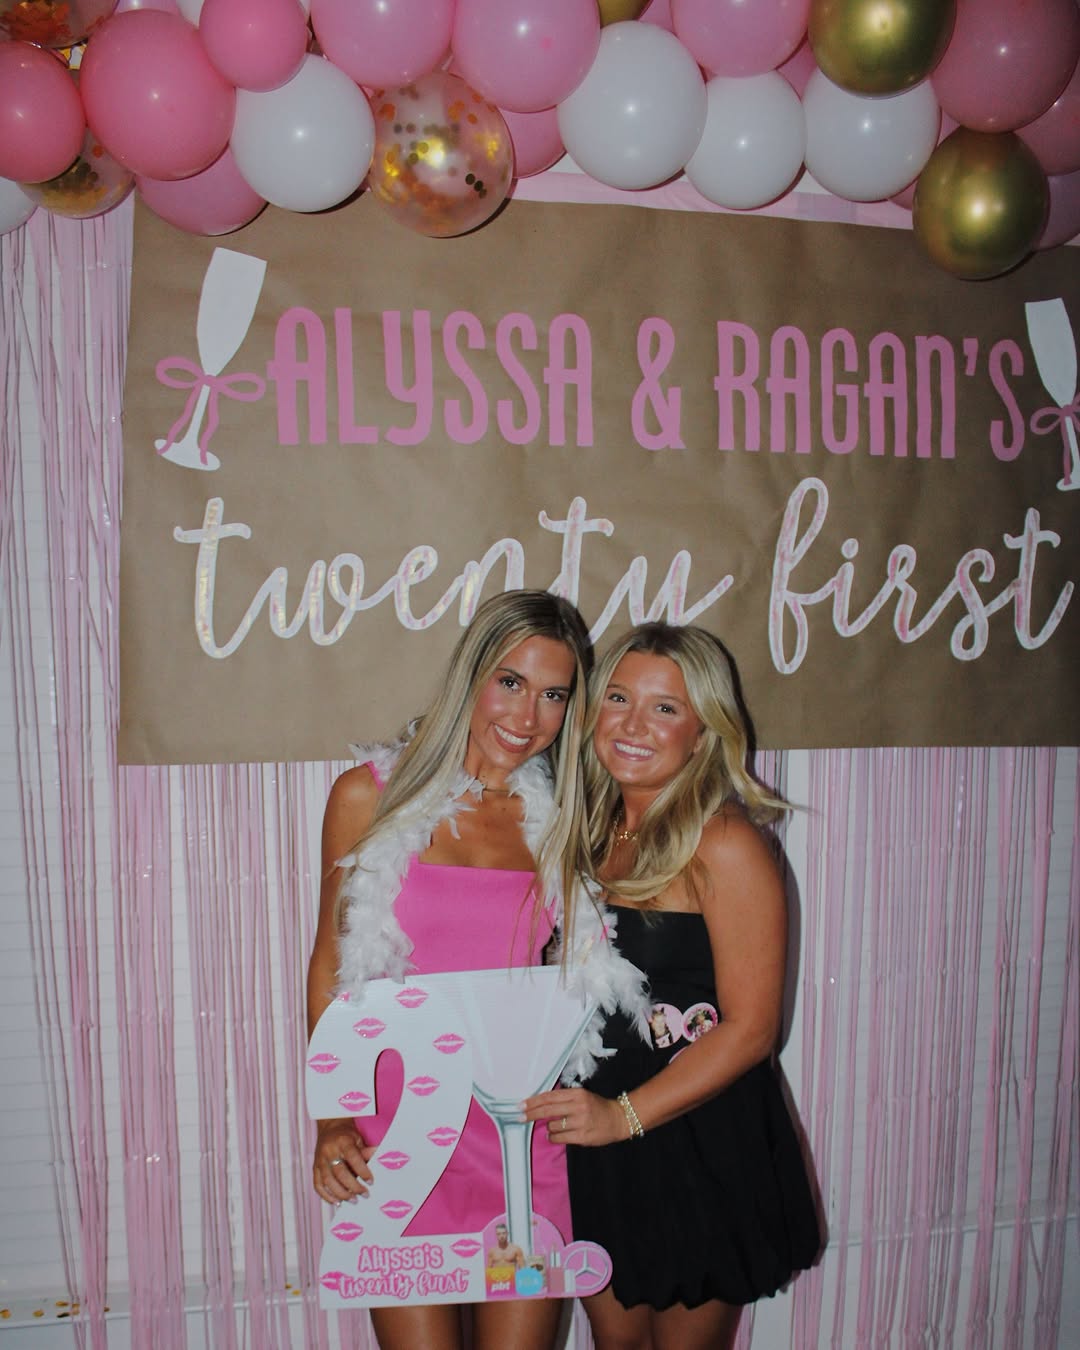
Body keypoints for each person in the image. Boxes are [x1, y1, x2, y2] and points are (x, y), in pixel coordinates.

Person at [306, 589, 643, 1350]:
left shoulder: (568, 819)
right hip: (400, 1136)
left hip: (518, 1136)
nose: (528, 716)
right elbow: (330, 961)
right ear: (472, 676)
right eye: (511, 682)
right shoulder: (367, 797)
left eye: (554, 694)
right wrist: (333, 1115)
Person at [525, 623, 821, 1350]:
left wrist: (620, 1117)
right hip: (599, 1142)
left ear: (702, 733)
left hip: (696, 1142)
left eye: (664, 708)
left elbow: (752, 1031)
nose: (633, 725)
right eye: (618, 698)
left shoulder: (724, 842)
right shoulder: (587, 832)